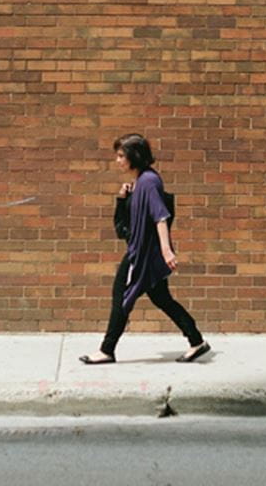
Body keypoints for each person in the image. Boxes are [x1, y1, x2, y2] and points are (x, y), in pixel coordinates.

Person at [79, 134, 210, 365]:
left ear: (134, 156)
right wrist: (123, 198)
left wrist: (167, 251)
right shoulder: (141, 182)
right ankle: (196, 340)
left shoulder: (149, 182)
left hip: (143, 255)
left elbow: (160, 216)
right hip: (145, 253)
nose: (117, 160)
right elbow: (127, 225)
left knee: (121, 297)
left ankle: (107, 350)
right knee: (162, 298)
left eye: (121, 156)